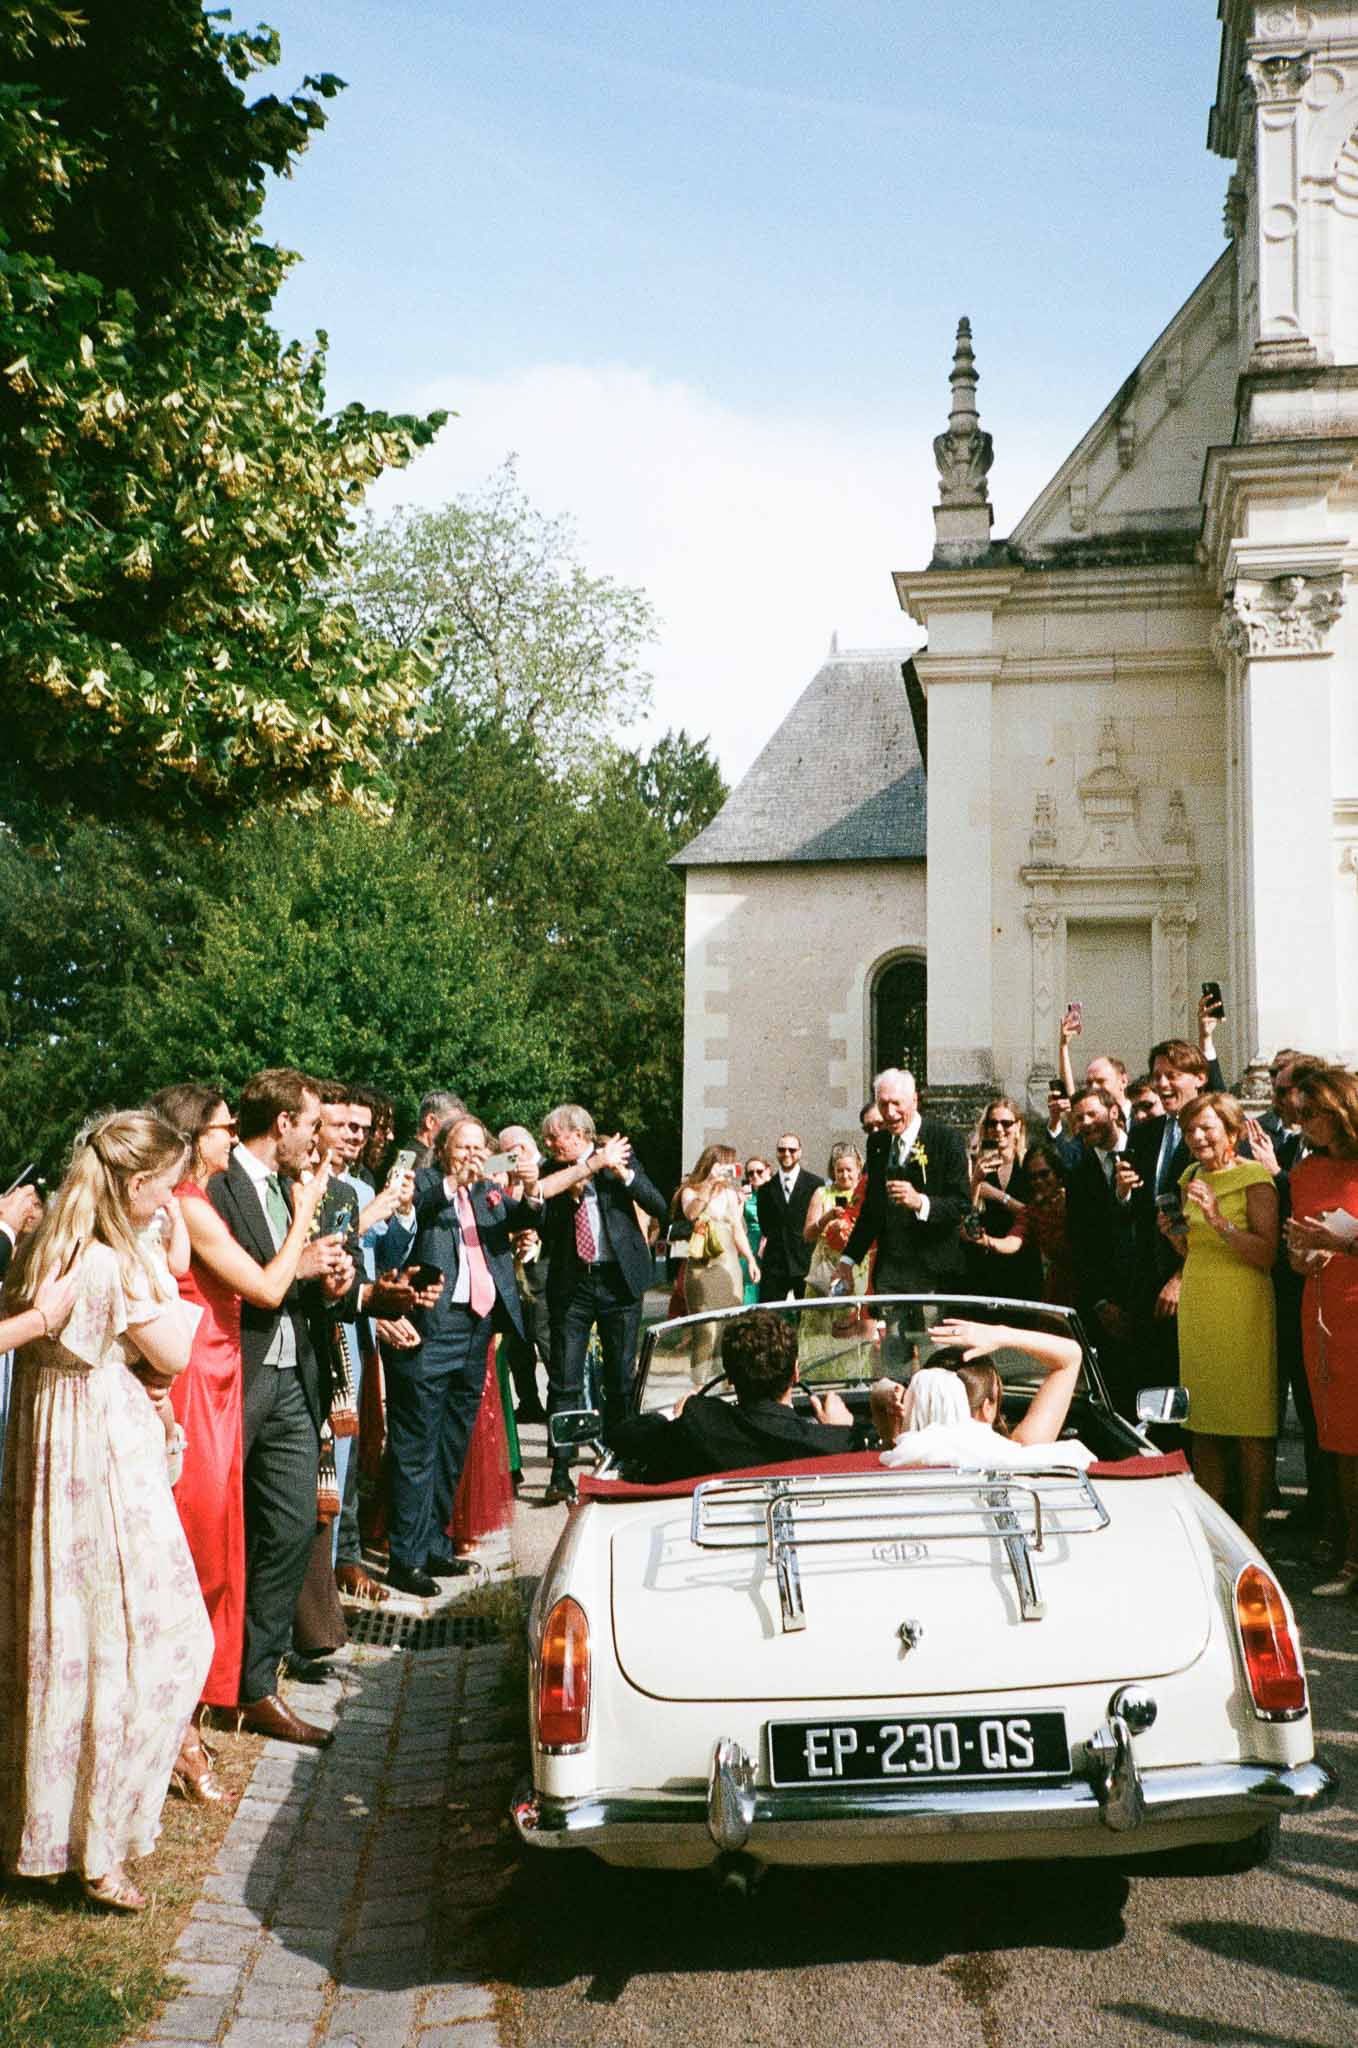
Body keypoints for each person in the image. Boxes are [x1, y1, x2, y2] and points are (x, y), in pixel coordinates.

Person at [0, 1112, 213, 1913]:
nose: (173, 1198)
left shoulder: (48, 1241)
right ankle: (99, 1840)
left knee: (63, 1634)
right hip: (99, 1454)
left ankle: (51, 1828)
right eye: (167, 1185)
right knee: (150, 1640)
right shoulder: (106, 1260)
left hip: (54, 1449)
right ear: (137, 1184)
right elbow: (176, 1352)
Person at [147, 1083, 329, 1790]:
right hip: (204, 1378)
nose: (231, 1134)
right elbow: (265, 1287)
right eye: (222, 1127)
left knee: (268, 1532)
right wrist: (306, 1214)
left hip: (239, 1374)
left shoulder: (194, 1197)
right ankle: (186, 1714)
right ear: (196, 1136)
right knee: (199, 1546)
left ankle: (242, 1685)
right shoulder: (196, 1199)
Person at [206, 1069, 362, 1746]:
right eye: (314, 1123)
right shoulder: (219, 1187)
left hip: (296, 1377)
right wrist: (300, 1260)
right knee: (217, 1528)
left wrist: (333, 1281)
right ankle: (207, 1681)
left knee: (294, 1526)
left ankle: (254, 1684)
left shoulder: (292, 1188)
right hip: (235, 1377)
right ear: (283, 1124)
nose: (320, 1136)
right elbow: (244, 1280)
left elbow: (298, 1277)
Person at [379, 1115, 535, 1593]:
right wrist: (453, 1182)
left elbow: (526, 1218)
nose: (472, 1156)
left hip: (476, 1328)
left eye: (478, 1148)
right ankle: (405, 1558)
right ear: (445, 1149)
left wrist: (531, 1189)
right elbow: (417, 1207)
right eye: (463, 1147)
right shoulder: (427, 1183)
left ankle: (435, 1544)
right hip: (432, 1328)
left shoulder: (487, 1193)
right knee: (416, 1446)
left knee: (452, 1444)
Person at [1159, 1093, 1278, 1548]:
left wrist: (1215, 1217)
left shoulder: (1254, 1178)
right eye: (1190, 1130)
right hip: (1200, 1302)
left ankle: (1252, 1528)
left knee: (1249, 1421)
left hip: (1243, 1305)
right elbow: (1194, 1247)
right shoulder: (1190, 1176)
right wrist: (1175, 1237)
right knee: (1204, 1419)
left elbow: (1265, 1253)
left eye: (1207, 1128)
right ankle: (1213, 1527)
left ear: (1233, 1132)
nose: (1197, 1137)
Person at [534, 1105, 669, 1504]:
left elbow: (660, 1205)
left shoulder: (619, 1159)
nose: (548, 1143)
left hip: (618, 1282)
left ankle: (620, 1459)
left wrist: (623, 1174)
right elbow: (539, 1224)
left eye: (554, 1136)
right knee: (564, 1380)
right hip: (573, 1284)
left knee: (620, 1380)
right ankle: (561, 1470)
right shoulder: (550, 1171)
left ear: (578, 1134)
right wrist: (573, 1193)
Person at [607, 1307, 856, 1482]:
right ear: (796, 1373)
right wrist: (841, 1429)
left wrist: (675, 1418)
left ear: (729, 1377)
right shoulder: (834, 1443)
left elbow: (623, 1437)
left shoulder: (699, 1427)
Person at [1284, 1065, 1358, 1596]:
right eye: (1299, 1113)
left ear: (1341, 1111)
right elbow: (1296, 1252)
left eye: (1313, 1113)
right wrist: (1303, 1254)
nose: (1303, 1122)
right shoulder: (1305, 1172)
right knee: (1340, 1442)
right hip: (1325, 1314)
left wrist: (1345, 1244)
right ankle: (1351, 1560)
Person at [871, 1316, 1086, 1466]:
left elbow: (883, 1409)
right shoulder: (1020, 1455)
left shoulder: (900, 1455)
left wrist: (882, 1396)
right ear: (987, 1408)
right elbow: (1071, 1357)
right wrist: (1001, 1334)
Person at [836, 1069, 970, 1294]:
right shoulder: (877, 1143)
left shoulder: (946, 1139)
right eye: (883, 1104)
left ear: (914, 1100)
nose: (889, 1113)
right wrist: (848, 1259)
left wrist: (920, 1202)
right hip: (891, 1273)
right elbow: (872, 1209)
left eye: (896, 1103)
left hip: (934, 1273)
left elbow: (961, 1205)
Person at [677, 1146, 759, 1384]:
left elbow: (737, 1230)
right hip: (703, 1267)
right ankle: (699, 1385)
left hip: (729, 1266)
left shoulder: (730, 1195)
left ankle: (727, 1384)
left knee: (730, 1328)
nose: (730, 1171)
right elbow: (691, 1214)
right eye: (726, 1165)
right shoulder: (691, 1190)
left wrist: (750, 1259)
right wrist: (709, 1184)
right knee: (705, 1329)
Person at [963, 1098, 1043, 1300]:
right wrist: (976, 1182)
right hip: (984, 1262)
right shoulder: (974, 1164)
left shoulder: (1029, 1163)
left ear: (1018, 1126)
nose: (998, 1129)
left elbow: (1036, 1214)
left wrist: (1000, 1197)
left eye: (1006, 1123)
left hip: (1023, 1260)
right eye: (992, 1123)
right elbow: (966, 1216)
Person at [754, 1133, 823, 1301]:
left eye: (792, 1150)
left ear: (800, 1152)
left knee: (808, 1313)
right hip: (775, 1264)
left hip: (806, 1262)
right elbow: (766, 1227)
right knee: (768, 1314)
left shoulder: (815, 1184)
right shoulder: (765, 1190)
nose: (786, 1154)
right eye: (782, 1150)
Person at [802, 1143, 868, 1294]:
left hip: (858, 1268)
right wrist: (827, 1218)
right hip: (825, 1270)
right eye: (840, 1170)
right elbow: (807, 1235)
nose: (844, 1175)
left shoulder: (866, 1193)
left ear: (858, 1168)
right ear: (833, 1170)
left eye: (849, 1170)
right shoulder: (822, 1193)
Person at [741, 1157, 770, 1304]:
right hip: (752, 1243)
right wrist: (740, 1200)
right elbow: (736, 1221)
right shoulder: (746, 1195)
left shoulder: (775, 1192)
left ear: (768, 1171)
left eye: (759, 1171)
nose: (755, 1176)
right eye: (750, 1173)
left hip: (771, 1242)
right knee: (751, 1287)